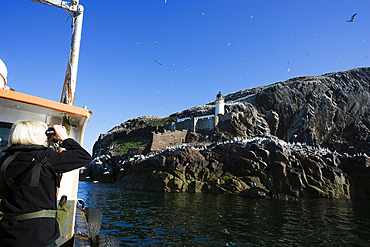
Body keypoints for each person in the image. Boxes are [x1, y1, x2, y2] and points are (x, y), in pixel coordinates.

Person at [0, 120, 92, 247]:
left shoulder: (5, 160)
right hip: (39, 235)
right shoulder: (46, 157)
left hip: (7, 233)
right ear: (35, 136)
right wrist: (64, 138)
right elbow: (84, 156)